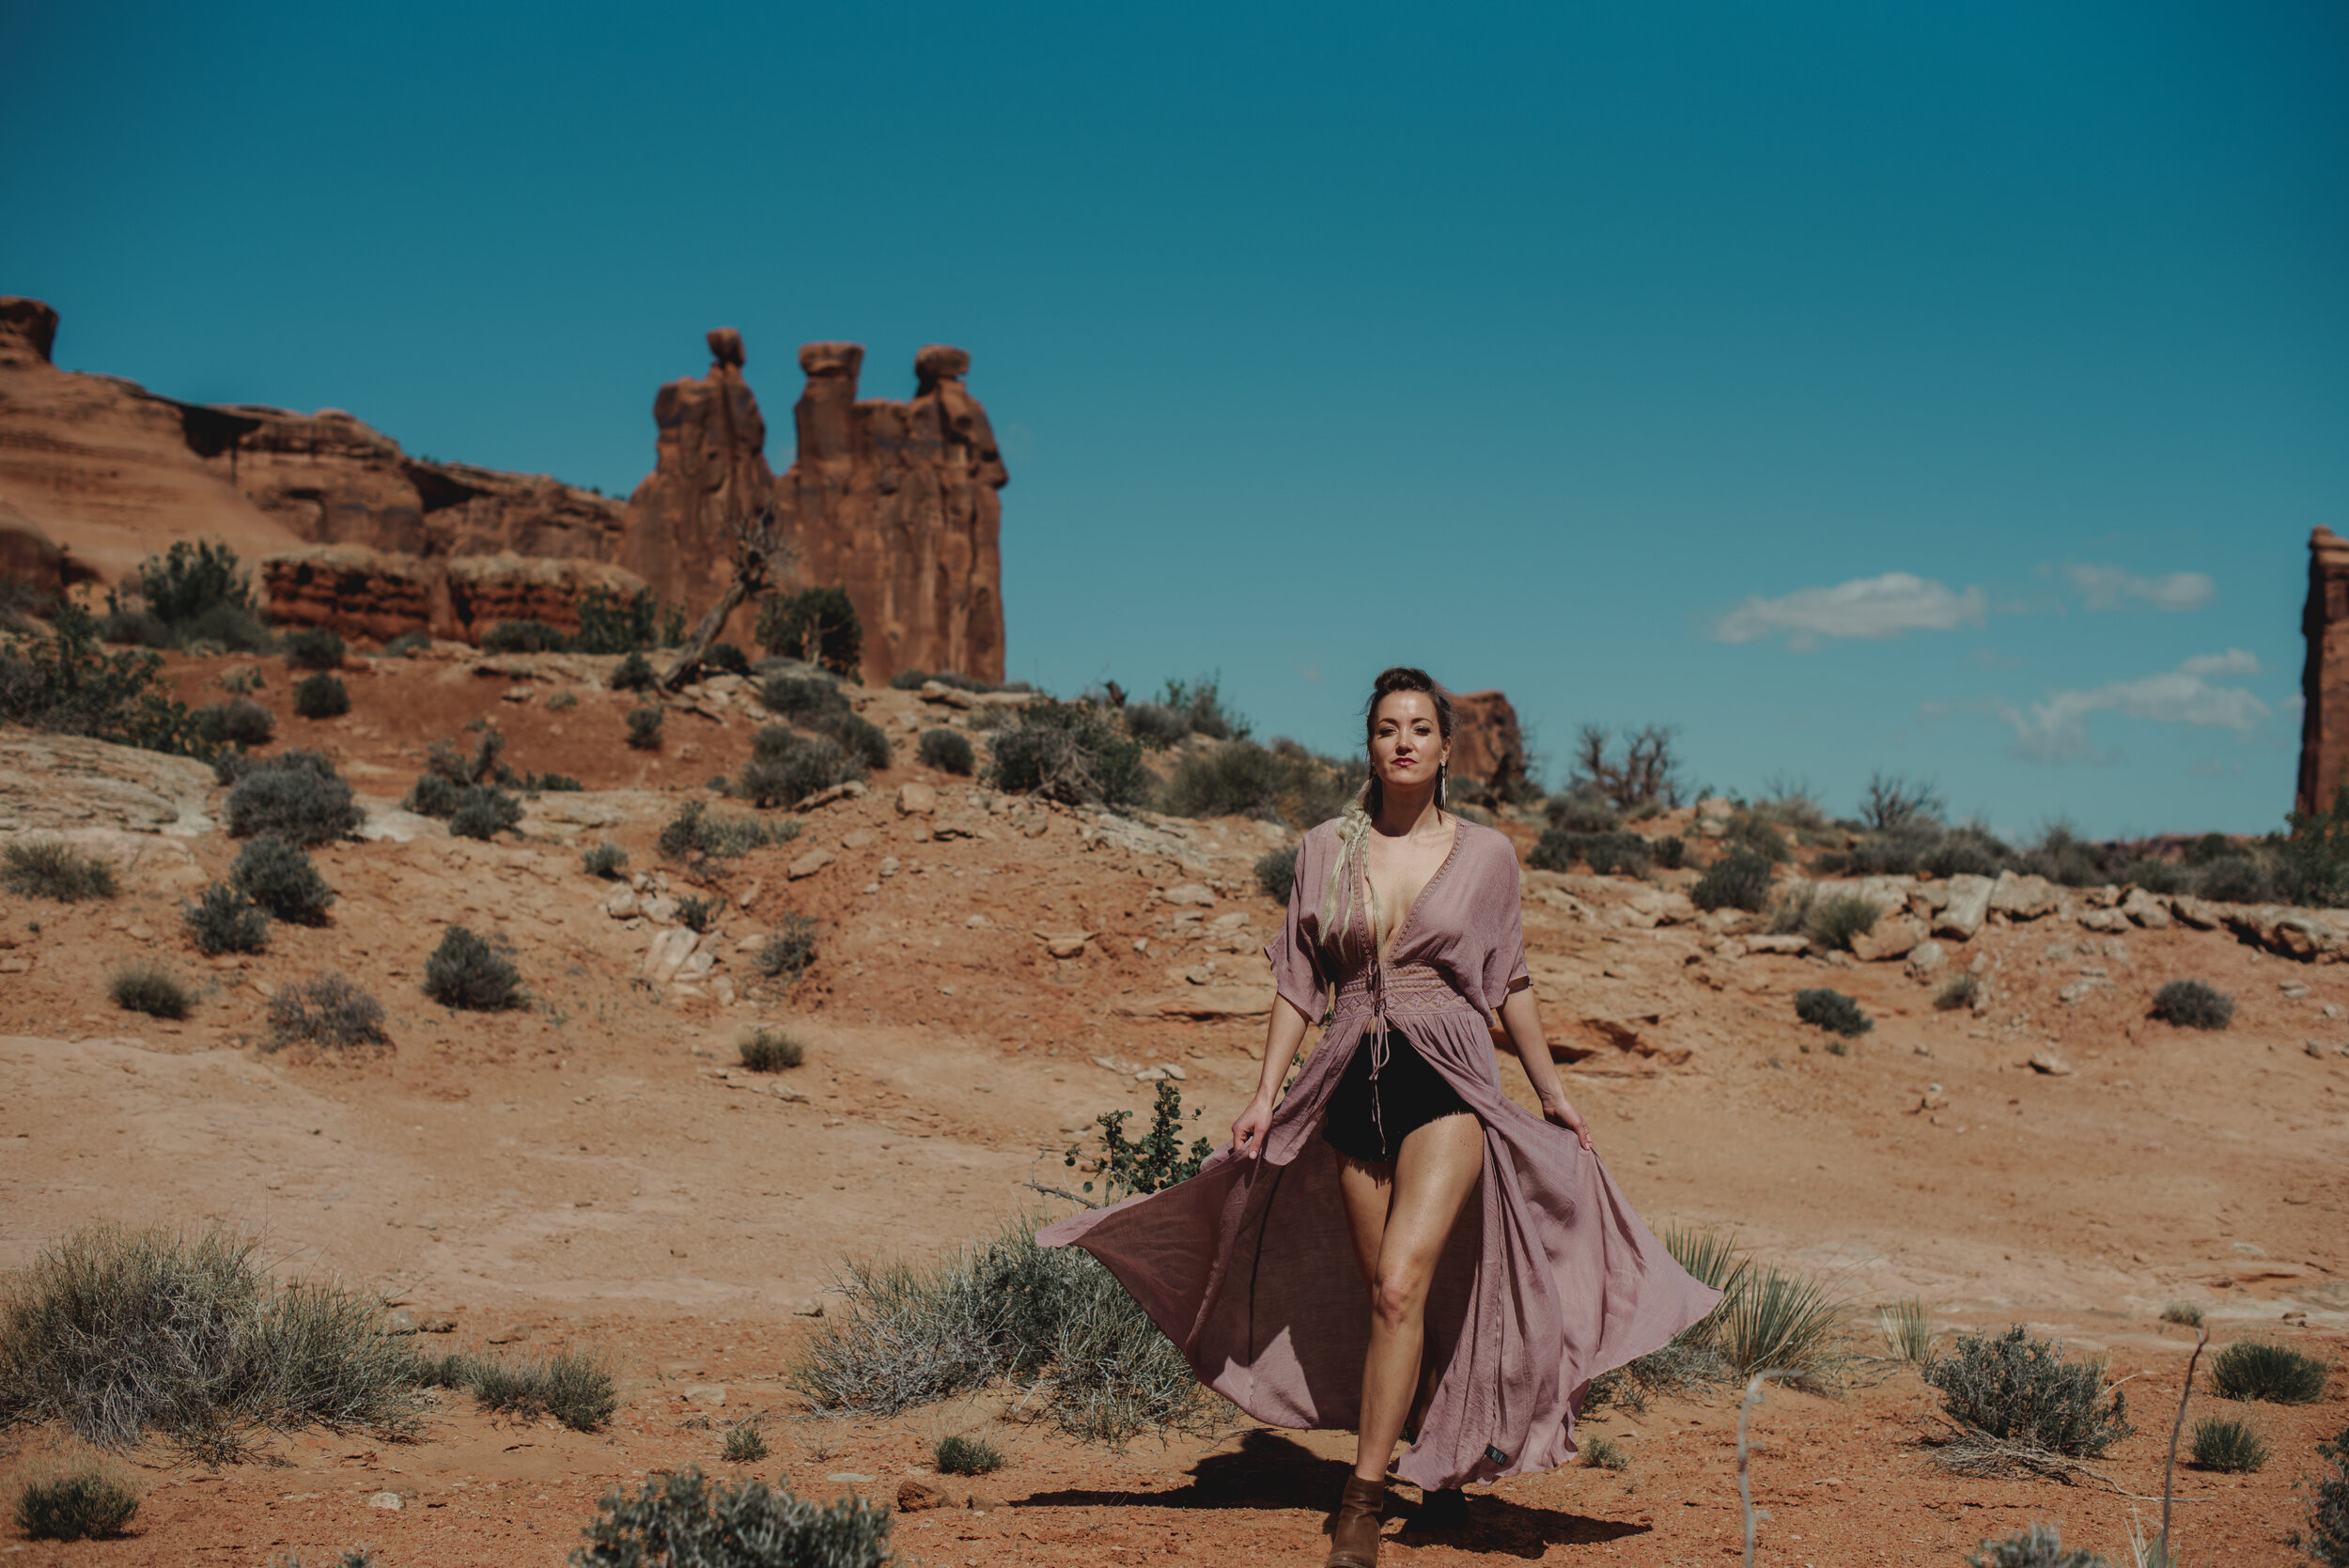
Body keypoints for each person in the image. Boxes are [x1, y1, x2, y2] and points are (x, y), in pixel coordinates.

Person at [1040, 667, 1719, 1566]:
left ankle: (1361, 1501)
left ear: (1446, 748)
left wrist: (1552, 1090)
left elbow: (1508, 977)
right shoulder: (1327, 847)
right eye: (1387, 728)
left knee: (1401, 1283)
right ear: (1371, 746)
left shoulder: (1487, 855)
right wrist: (1264, 1092)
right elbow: (1297, 979)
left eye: (1421, 728)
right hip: (1348, 1075)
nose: (1404, 741)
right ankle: (1439, 1470)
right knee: (1387, 1299)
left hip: (1449, 1078)